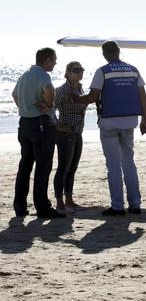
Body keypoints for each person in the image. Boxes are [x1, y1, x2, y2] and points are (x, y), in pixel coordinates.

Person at [74, 41, 146, 216]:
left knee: (114, 165)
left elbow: (92, 97)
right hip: (130, 120)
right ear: (119, 52)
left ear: (104, 54)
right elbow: (142, 96)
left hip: (109, 122)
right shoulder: (133, 70)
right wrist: (145, 119)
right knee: (129, 163)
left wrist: (75, 99)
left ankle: (117, 206)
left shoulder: (103, 71)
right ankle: (135, 204)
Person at [11, 47, 65, 218]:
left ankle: (20, 207)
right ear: (47, 60)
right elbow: (49, 89)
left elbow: (14, 94)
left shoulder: (25, 74)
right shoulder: (42, 74)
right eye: (54, 60)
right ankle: (42, 208)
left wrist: (24, 108)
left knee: (25, 166)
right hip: (41, 124)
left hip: (24, 123)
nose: (55, 63)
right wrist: (49, 105)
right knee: (43, 167)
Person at [53, 61, 88, 214]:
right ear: (67, 73)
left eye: (82, 70)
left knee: (72, 168)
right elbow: (49, 110)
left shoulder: (80, 88)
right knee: (63, 168)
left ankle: (69, 200)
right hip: (65, 134)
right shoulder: (61, 90)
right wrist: (58, 127)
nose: (80, 72)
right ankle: (59, 202)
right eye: (76, 70)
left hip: (78, 133)